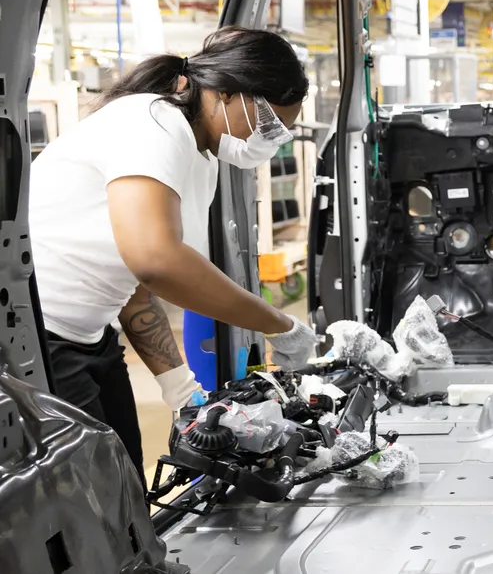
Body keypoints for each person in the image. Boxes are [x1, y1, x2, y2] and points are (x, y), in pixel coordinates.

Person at [29, 26, 319, 478]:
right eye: (267, 122)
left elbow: (131, 280)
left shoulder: (199, 153)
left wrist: (180, 389)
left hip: (89, 338)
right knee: (96, 503)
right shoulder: (152, 123)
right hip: (35, 338)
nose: (272, 138)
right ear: (226, 93)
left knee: (122, 486)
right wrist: (280, 325)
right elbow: (156, 261)